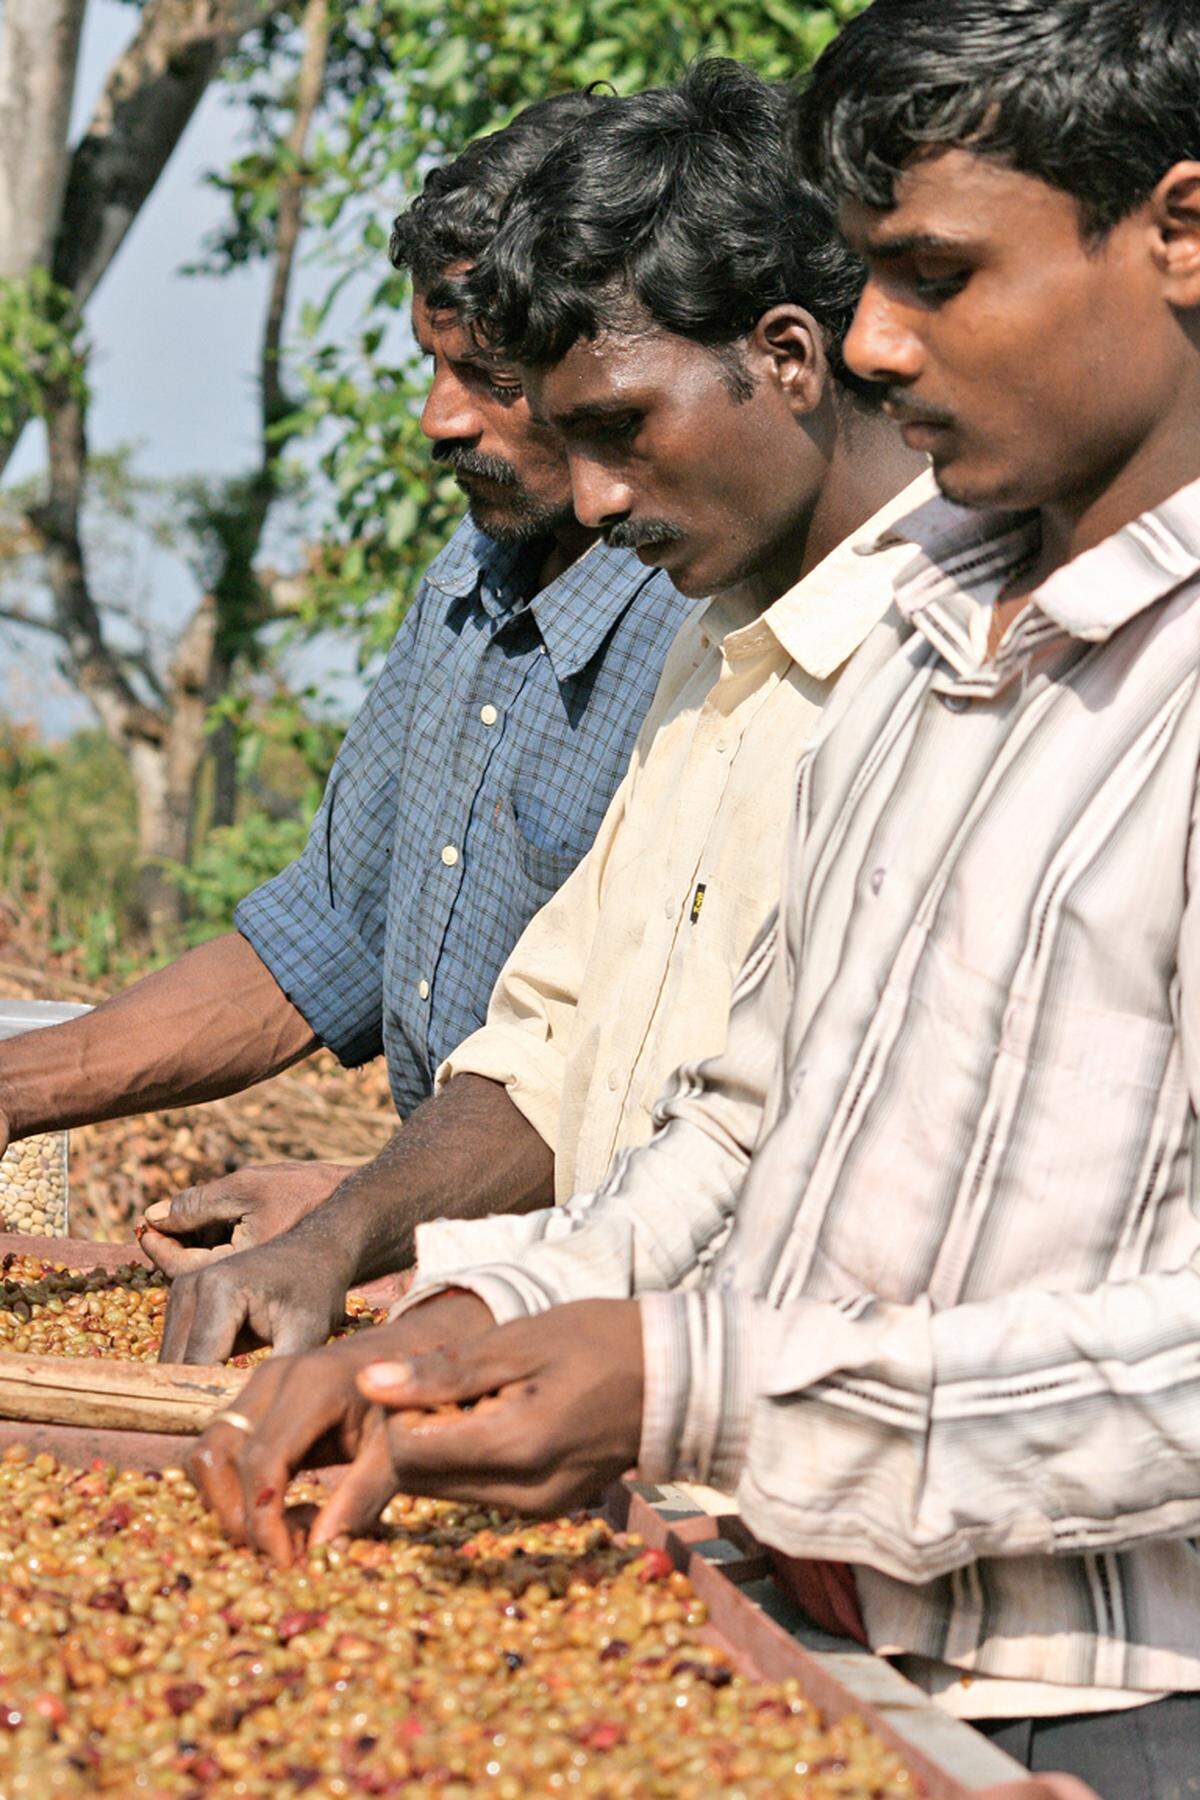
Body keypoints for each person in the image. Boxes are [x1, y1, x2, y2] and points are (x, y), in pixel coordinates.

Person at [194, 3, 1200, 1792]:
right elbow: (737, 1127)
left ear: (1180, 234)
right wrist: (473, 1320)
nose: (887, 341)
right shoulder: (925, 645)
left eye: (941, 275)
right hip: (790, 1624)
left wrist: (684, 1385)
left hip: (1105, 1693)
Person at [157, 60, 924, 1368]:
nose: (602, 499)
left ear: (788, 356)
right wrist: (352, 1237)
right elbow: (555, 1052)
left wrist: (461, 1287)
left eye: (624, 430)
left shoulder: (945, 664)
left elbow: (819, 1190)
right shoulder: (715, 642)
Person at [0, 93, 688, 1292]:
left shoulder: (706, 625)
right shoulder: (469, 577)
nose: (438, 419)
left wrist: (365, 1217)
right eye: (433, 366)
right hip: (457, 1244)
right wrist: (22, 1090)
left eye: (491, 378)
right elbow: (329, 934)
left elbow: (649, 1100)